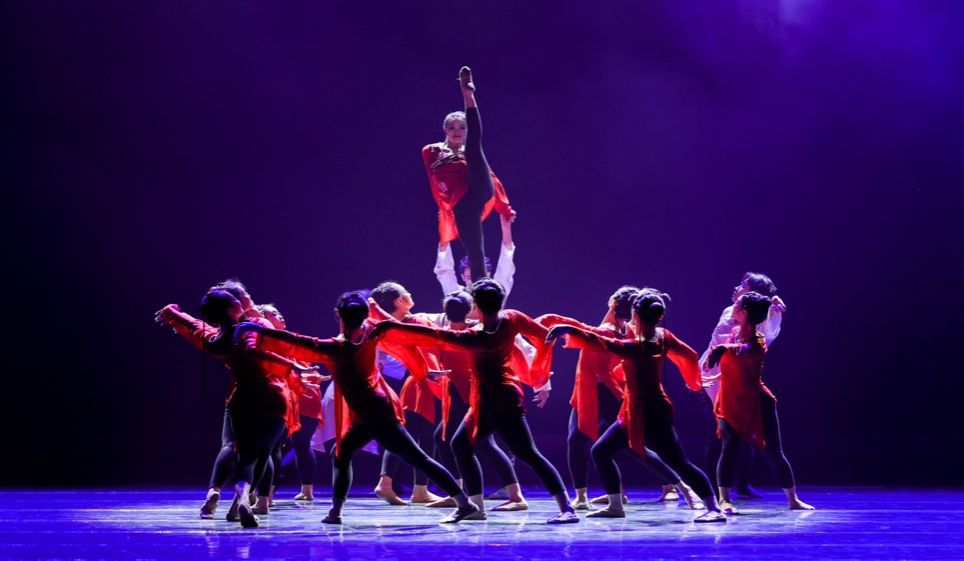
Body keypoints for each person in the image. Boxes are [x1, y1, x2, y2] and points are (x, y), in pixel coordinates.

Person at [250, 291, 479, 524]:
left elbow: (296, 342)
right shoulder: (371, 331)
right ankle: (335, 512)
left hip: (376, 414)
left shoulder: (336, 348)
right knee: (341, 453)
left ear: (339, 315)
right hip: (371, 411)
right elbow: (400, 333)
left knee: (417, 458)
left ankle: (464, 503)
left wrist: (259, 331)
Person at [374, 279, 579, 524]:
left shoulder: (474, 337)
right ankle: (475, 507)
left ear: (476, 306)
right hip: (493, 398)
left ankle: (566, 508)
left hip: (500, 401)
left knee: (526, 452)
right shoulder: (511, 318)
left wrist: (390, 326)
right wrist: (564, 331)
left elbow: (434, 335)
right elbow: (543, 334)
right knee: (462, 444)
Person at [546, 290, 725, 522]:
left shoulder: (635, 347)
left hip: (649, 413)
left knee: (679, 462)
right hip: (637, 410)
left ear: (636, 316)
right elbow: (688, 354)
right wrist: (694, 380)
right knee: (601, 451)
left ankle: (713, 509)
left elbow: (601, 341)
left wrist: (570, 329)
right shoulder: (663, 336)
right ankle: (615, 506)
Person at [156, 290, 314, 528]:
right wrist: (292, 365)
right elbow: (254, 349)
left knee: (244, 455)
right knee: (263, 455)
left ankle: (231, 499)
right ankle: (241, 502)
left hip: (242, 398)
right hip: (272, 395)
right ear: (232, 309)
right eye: (237, 301)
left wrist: (172, 312)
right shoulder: (248, 328)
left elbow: (192, 324)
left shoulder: (214, 338)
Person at [706, 292, 814, 513]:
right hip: (729, 399)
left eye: (737, 304)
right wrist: (714, 374)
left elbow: (744, 352)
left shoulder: (757, 341)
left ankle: (793, 500)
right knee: (730, 448)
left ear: (744, 312)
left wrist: (722, 349)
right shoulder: (733, 334)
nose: (733, 306)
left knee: (774, 451)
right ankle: (724, 500)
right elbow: (733, 366)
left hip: (756, 401)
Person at [422, 66, 515, 283]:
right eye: (452, 128)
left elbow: (493, 179)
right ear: (445, 130)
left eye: (462, 128)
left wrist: (505, 208)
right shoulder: (431, 150)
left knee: (474, 147)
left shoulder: (469, 151)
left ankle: (468, 95)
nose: (457, 132)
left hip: (480, 188)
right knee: (475, 250)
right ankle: (481, 291)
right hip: (461, 203)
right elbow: (437, 181)